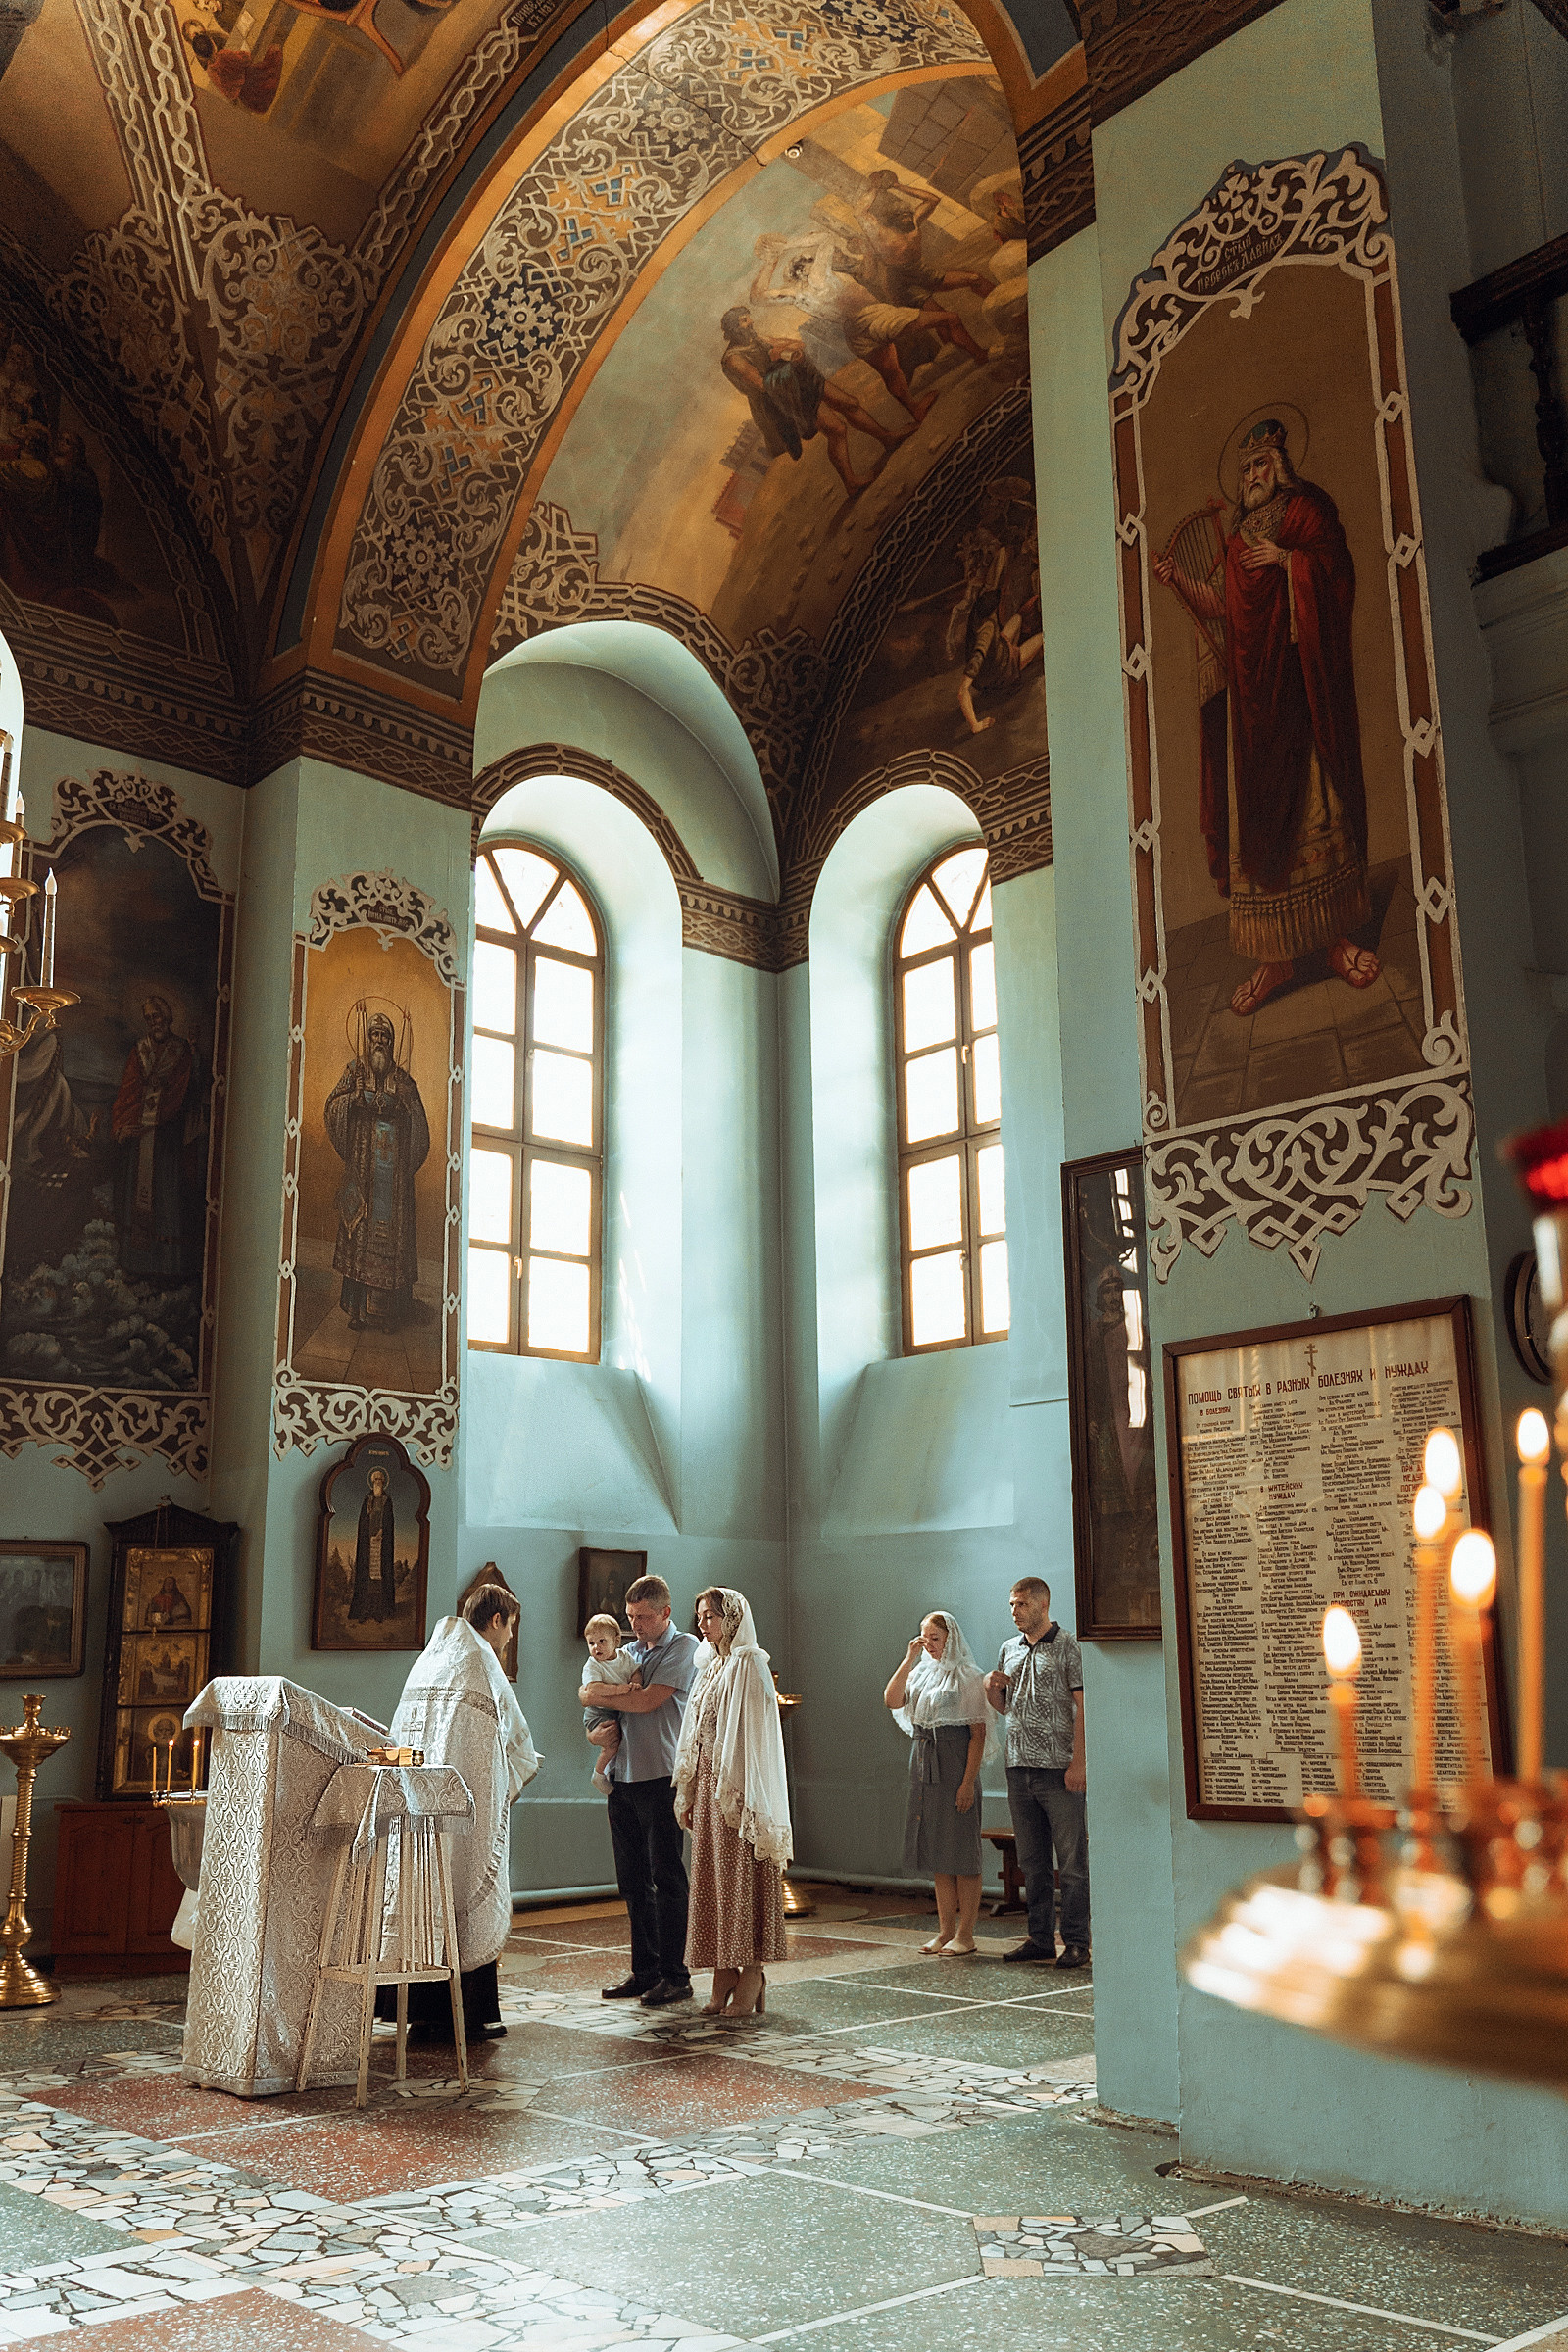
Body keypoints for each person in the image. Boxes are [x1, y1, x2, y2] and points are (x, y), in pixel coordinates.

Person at [1152, 416, 1377, 1018]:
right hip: (1254, 703)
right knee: (1261, 822)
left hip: (1301, 686)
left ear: (1281, 465)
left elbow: (1336, 573)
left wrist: (1289, 561)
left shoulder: (1305, 513)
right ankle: (1277, 958)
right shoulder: (1235, 536)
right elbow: (1225, 608)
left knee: (1313, 805)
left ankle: (1333, 940)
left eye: (1262, 464)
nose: (1253, 475)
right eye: (1246, 467)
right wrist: (1182, 584)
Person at [379, 1584, 539, 2039]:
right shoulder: (478, 1662)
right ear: (496, 1621)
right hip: (462, 1811)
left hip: (419, 1810)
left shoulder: (430, 1660)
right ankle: (463, 2016)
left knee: (424, 1896)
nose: (510, 1638)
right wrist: (512, 1775)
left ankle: (420, 2014)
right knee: (461, 1894)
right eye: (511, 1626)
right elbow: (509, 1739)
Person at [579, 1572, 701, 2008]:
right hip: (622, 1778)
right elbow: (586, 1695)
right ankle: (644, 1969)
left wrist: (607, 1695)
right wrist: (595, 1733)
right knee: (632, 1881)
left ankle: (675, 1974)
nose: (635, 1626)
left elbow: (649, 1700)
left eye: (644, 1618)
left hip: (660, 1776)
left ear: (666, 1612)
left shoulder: (685, 1647)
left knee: (666, 1875)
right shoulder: (626, 1650)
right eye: (630, 1617)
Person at [672, 1587, 792, 2018]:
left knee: (741, 1877)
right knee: (712, 1876)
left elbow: (755, 1736)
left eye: (710, 1616)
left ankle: (753, 1970)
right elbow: (694, 1731)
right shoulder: (710, 1664)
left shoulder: (748, 1663)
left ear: (733, 1618)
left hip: (737, 1788)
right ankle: (724, 1968)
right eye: (700, 1616)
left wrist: (740, 1791)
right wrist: (687, 1789)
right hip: (707, 1784)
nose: (703, 1625)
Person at [984, 1577, 1090, 1968]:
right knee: (1033, 1862)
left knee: (1073, 1863)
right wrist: (990, 1690)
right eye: (1012, 1605)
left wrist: (1079, 1762)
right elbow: (1005, 1708)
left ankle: (1077, 1941)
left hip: (1059, 1769)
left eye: (1022, 1605)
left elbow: (1083, 1708)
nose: (1014, 1612)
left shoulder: (1068, 1646)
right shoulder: (1008, 1649)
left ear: (1043, 1605)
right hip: (1018, 1768)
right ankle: (1040, 1938)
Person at [883, 1612, 994, 1957]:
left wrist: (967, 1783)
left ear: (950, 1639)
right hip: (924, 1763)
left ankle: (967, 1934)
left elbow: (978, 1734)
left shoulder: (968, 1677)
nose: (927, 1644)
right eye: (923, 1637)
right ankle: (945, 1931)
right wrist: (908, 1659)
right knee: (938, 1855)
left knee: (962, 1853)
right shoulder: (921, 1672)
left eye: (934, 1638)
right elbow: (891, 1699)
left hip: (955, 1764)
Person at [719, 306, 907, 498]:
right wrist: (781, 359)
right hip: (783, 398)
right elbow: (762, 386)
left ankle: (887, 438)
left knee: (850, 403)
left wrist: (786, 350)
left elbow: (797, 345)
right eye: (744, 320)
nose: (750, 322)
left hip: (796, 378)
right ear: (734, 328)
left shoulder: (756, 340)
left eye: (748, 318)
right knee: (836, 430)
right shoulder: (734, 359)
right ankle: (850, 482)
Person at [324, 1004, 430, 1332]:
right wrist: (352, 1099)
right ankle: (357, 1311)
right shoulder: (354, 1071)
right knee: (360, 1233)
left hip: (392, 1178)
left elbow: (420, 1129)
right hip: (362, 1171)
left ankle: (390, 1315)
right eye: (375, 1035)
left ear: (393, 1041)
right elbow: (332, 1106)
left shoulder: (403, 1080)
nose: (380, 1042)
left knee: (389, 1241)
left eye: (385, 1036)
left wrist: (403, 1106)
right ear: (367, 1040)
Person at [111, 995, 206, 1280]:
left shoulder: (182, 1051)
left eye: (158, 1016)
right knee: (136, 1198)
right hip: (140, 1141)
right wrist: (123, 1126)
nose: (154, 1022)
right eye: (149, 1018)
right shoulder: (138, 1051)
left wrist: (196, 1054)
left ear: (168, 1018)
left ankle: (165, 1267)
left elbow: (193, 1090)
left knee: (166, 1198)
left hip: (167, 1140)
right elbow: (127, 1093)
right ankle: (135, 1263)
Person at [580, 1612, 640, 1795]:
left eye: (601, 1641)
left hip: (615, 1711)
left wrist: (637, 1682)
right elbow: (594, 1689)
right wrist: (618, 1689)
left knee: (623, 1739)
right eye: (591, 1643)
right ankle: (598, 1774)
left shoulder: (625, 1657)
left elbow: (635, 1671)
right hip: (598, 1713)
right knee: (612, 1743)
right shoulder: (593, 1665)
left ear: (617, 1640)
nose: (596, 1647)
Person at [348, 1466, 397, 1624]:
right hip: (368, 1544)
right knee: (366, 1576)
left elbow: (389, 1522)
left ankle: (379, 1610)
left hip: (381, 1544)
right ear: (372, 1482)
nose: (378, 1482)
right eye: (375, 1479)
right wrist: (368, 1536)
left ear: (384, 1482)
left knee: (379, 1576)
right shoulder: (367, 1500)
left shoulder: (386, 1501)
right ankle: (364, 1610)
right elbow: (363, 1522)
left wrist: (382, 1532)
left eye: (380, 1480)